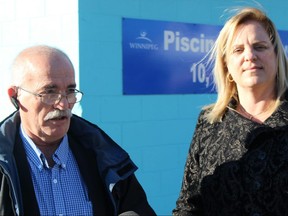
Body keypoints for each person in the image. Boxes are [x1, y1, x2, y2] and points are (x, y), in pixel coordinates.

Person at [0, 45, 156, 216]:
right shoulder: (4, 169)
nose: (64, 104)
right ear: (15, 96)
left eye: (70, 91)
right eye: (49, 92)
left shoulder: (106, 158)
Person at [173, 7, 288, 216]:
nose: (250, 56)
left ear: (277, 56)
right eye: (238, 50)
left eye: (259, 47)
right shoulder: (209, 123)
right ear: (226, 64)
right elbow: (188, 205)